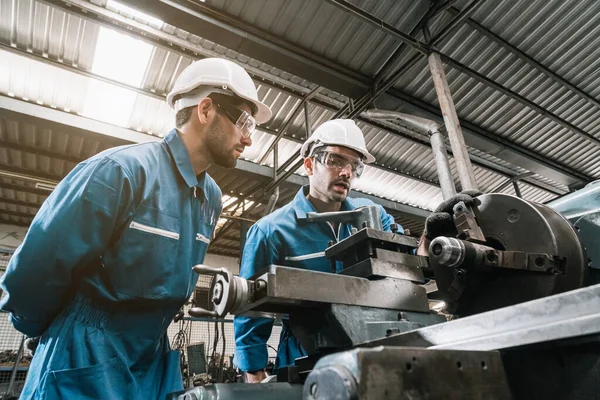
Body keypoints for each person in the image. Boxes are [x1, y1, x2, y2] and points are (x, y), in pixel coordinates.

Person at [0, 57, 271, 399]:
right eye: (244, 122)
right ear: (206, 110)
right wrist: (57, 334)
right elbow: (34, 273)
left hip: (153, 359)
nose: (248, 140)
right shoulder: (119, 173)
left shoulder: (211, 198)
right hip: (84, 356)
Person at [233, 119, 401, 382]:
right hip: (305, 360)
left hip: (371, 353)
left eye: (354, 166)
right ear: (309, 164)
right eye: (335, 160)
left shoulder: (373, 215)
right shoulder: (270, 231)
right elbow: (251, 307)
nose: (346, 172)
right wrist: (254, 372)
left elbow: (407, 265)